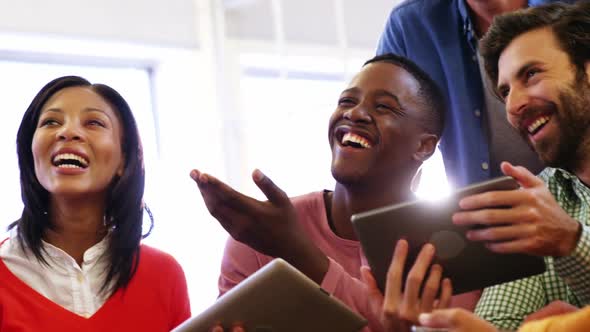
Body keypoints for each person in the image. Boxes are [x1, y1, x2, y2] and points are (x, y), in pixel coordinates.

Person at [191, 53, 456, 332]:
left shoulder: (450, 246)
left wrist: (297, 252)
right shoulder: (258, 234)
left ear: (424, 146)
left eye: (383, 107)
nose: (354, 113)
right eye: (346, 101)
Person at [379, 1, 590, 330]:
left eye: (531, 74)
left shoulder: (553, 224)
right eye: (504, 92)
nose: (514, 105)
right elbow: (495, 322)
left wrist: (573, 244)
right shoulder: (540, 203)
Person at [0, 76, 191, 331]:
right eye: (51, 122)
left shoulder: (164, 275)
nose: (67, 131)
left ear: (123, 159)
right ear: (30, 153)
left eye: (94, 122)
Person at [376, 0, 575, 188]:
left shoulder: (576, 9)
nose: (513, 106)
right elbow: (379, 144)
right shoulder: (411, 26)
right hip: (478, 215)